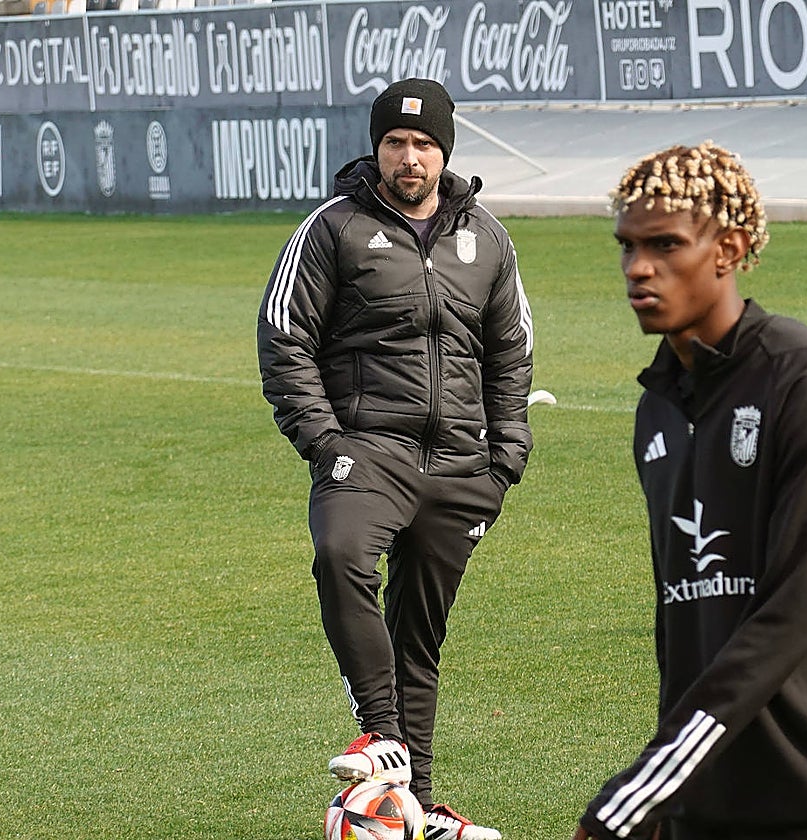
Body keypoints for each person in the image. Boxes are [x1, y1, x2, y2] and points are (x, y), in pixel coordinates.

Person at [574, 142, 807, 840]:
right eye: (627, 246)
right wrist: (667, 793)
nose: (638, 268)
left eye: (664, 245)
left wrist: (635, 794)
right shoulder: (657, 406)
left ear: (729, 249)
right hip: (700, 802)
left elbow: (787, 617)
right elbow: (685, 616)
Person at [257, 77, 534, 840]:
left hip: (461, 466)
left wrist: (504, 459)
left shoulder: (487, 237)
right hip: (367, 450)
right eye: (394, 143)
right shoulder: (333, 228)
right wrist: (325, 441)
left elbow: (511, 352)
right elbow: (285, 341)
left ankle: (423, 807)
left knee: (419, 637)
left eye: (422, 144)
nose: (408, 158)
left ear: (444, 150)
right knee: (340, 553)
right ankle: (381, 733)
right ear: (375, 148)